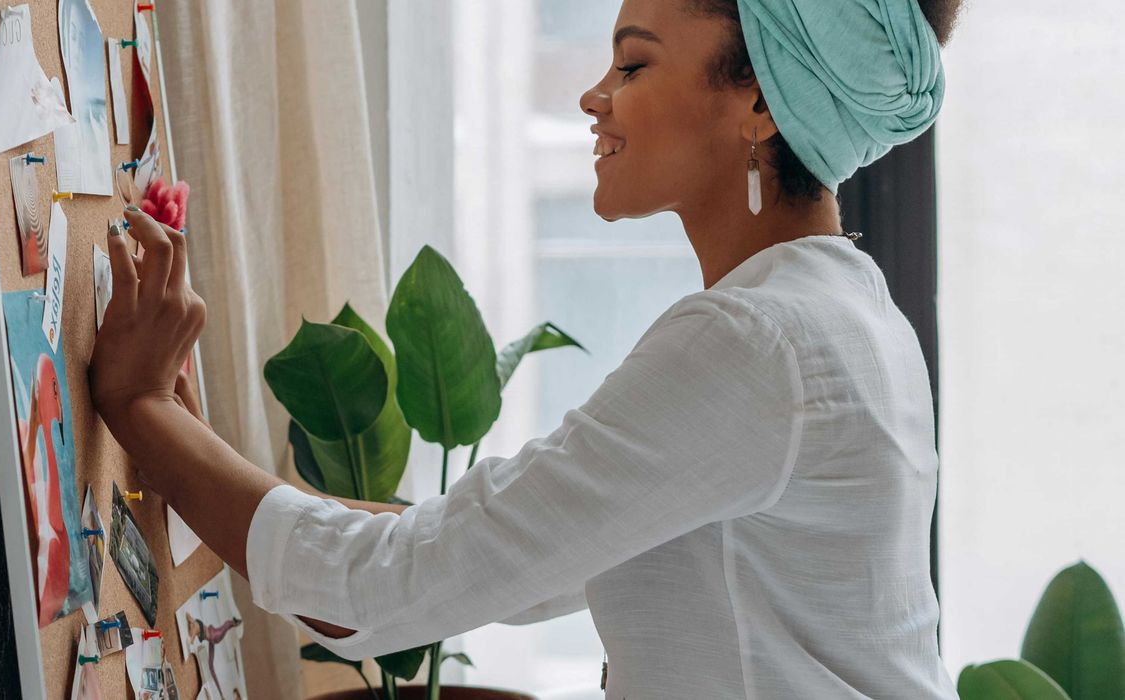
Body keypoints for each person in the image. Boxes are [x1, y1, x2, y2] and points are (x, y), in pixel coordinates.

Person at [88, 0, 964, 696]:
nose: (595, 96)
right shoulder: (849, 317)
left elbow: (378, 592)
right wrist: (179, 447)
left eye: (632, 63)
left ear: (761, 102)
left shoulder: (755, 340)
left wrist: (142, 409)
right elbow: (484, 558)